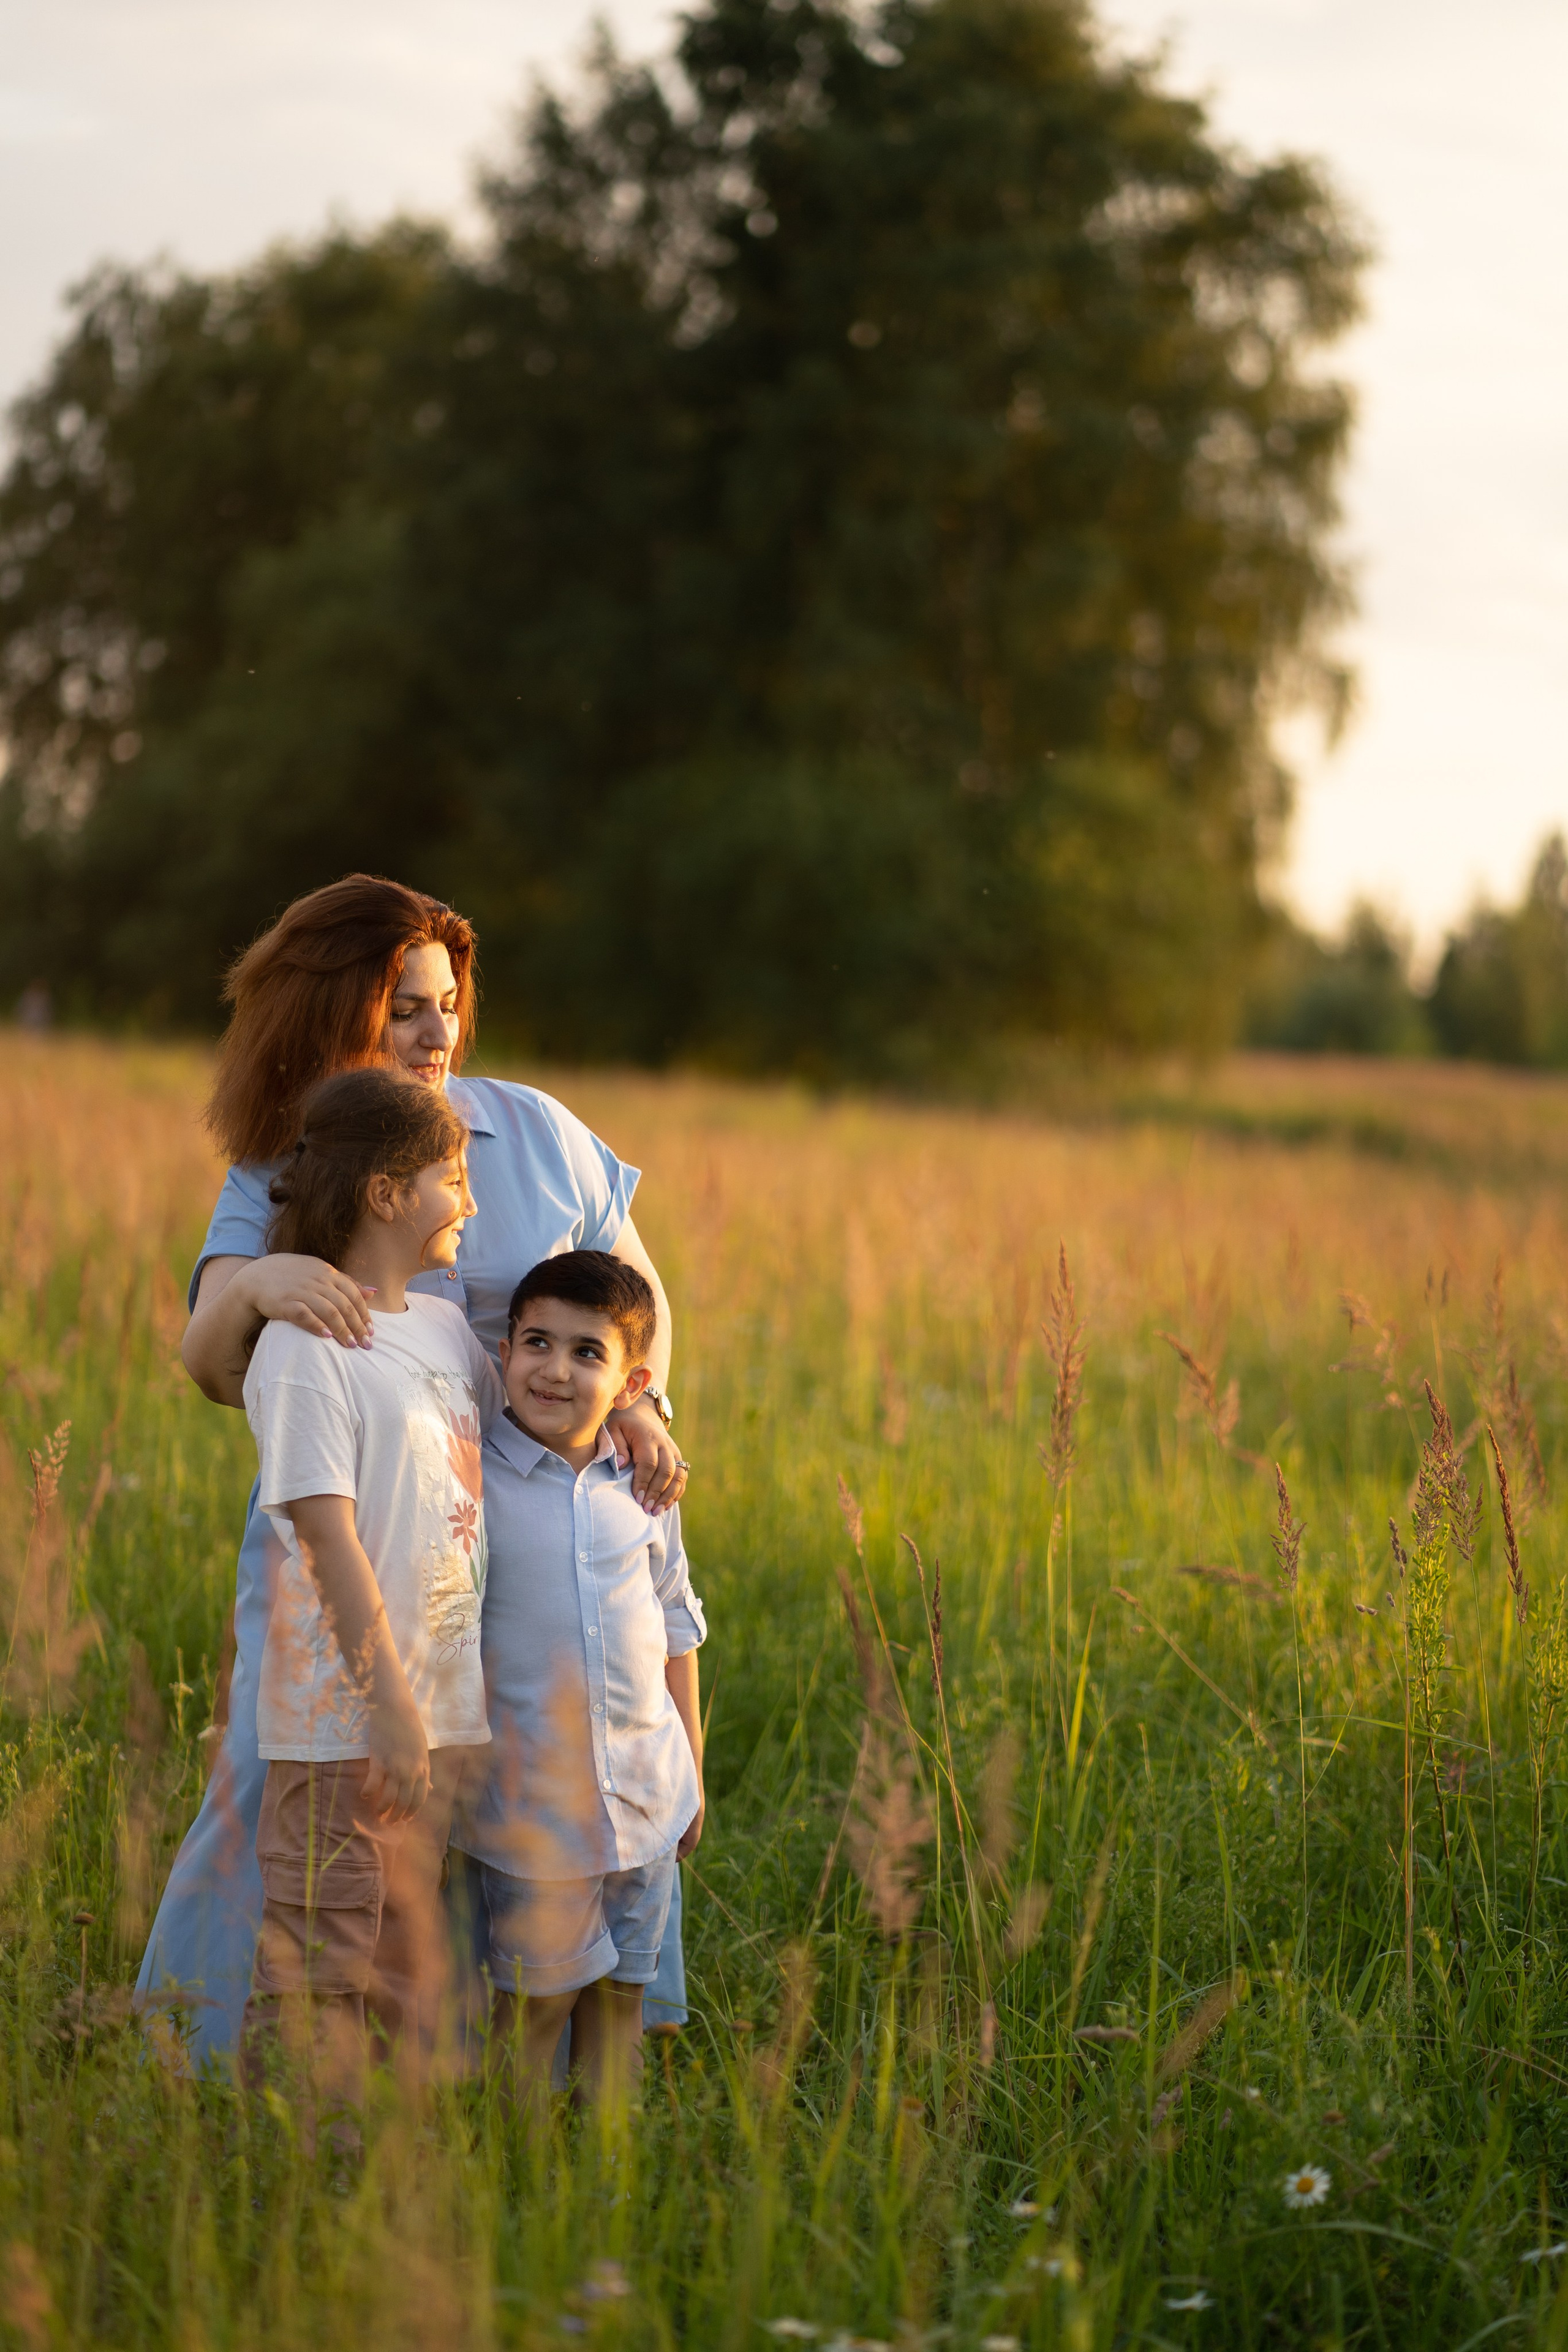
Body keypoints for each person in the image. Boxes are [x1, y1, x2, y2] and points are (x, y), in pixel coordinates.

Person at [138, 876, 690, 2063]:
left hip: (540, 1546)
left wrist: (640, 1409)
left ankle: (503, 2069)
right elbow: (208, 1354)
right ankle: (237, 2071)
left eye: (445, 1005)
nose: (436, 1033)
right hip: (358, 1547)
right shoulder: (299, 1162)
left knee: (541, 1787)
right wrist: (262, 1284)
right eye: (403, 1009)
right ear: (338, 1014)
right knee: (306, 1815)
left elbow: (636, 1315)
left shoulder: (536, 1134)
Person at [239, 1065, 502, 2124]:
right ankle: (284, 2174)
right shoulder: (309, 1347)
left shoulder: (441, 1332)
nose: (469, 1203)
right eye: (453, 1178)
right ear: (390, 1194)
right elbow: (325, 1533)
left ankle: (370, 2175)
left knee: (399, 1964)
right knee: (320, 1966)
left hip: (437, 1720)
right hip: (346, 1725)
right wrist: (388, 1701)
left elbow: (526, 1432)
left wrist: (633, 1410)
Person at [460, 1252, 704, 2108]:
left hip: (646, 1796)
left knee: (621, 1997)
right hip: (535, 1814)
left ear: (633, 1380)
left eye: (586, 1353)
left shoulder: (645, 1487)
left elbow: (676, 1622)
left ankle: (609, 2181)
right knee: (533, 2005)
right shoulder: (472, 1485)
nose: (555, 1370)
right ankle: (515, 2177)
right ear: (503, 1354)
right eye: (537, 1343)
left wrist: (693, 1769)